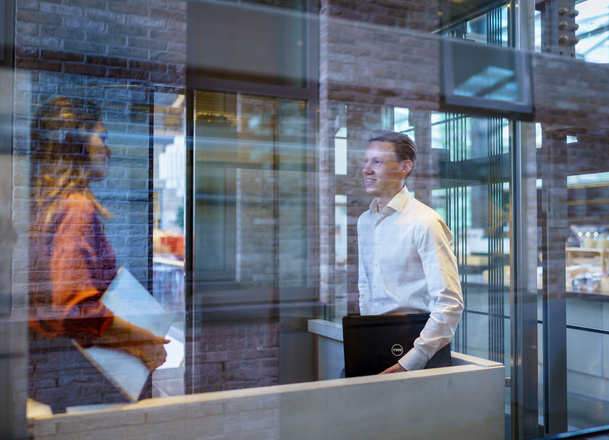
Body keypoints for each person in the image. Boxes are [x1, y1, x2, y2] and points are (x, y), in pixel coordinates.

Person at [28, 97, 168, 412]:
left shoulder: (46, 207)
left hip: (50, 373)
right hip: (78, 372)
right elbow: (75, 310)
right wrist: (145, 341)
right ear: (73, 142)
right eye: (101, 138)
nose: (108, 150)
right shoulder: (77, 209)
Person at [357, 129, 463, 373]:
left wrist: (412, 361)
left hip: (418, 349)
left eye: (377, 162)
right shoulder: (365, 221)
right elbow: (365, 287)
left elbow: (449, 303)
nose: (366, 169)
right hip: (373, 341)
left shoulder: (425, 221)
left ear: (405, 167)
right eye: (365, 161)